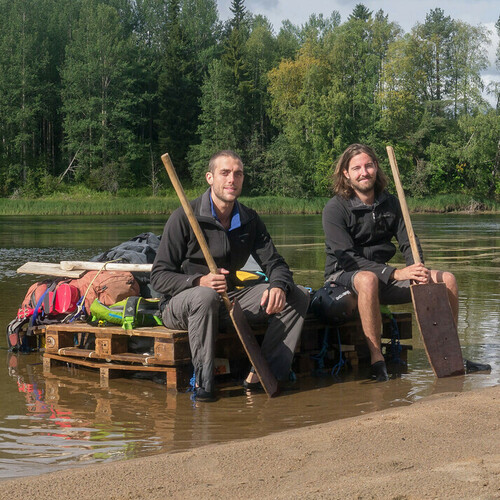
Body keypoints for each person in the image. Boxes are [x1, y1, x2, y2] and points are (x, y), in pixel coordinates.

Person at [151, 150, 309, 401]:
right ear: (210, 178)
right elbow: (158, 277)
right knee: (205, 296)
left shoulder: (249, 219)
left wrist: (278, 285)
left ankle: (265, 373)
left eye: (238, 174)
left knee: (297, 294)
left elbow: (275, 263)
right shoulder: (185, 216)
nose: (231, 179)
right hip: (179, 305)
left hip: (228, 299)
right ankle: (203, 384)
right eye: (224, 173)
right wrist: (198, 281)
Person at [322, 144, 459, 381]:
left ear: (376, 167)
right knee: (368, 279)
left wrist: (418, 270)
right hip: (343, 278)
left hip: (383, 279)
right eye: (356, 168)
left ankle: (451, 352)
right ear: (346, 173)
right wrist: (395, 273)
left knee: (447, 280)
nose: (364, 172)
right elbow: (347, 258)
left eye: (368, 166)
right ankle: (377, 361)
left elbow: (409, 243)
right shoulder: (335, 208)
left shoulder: (392, 203)